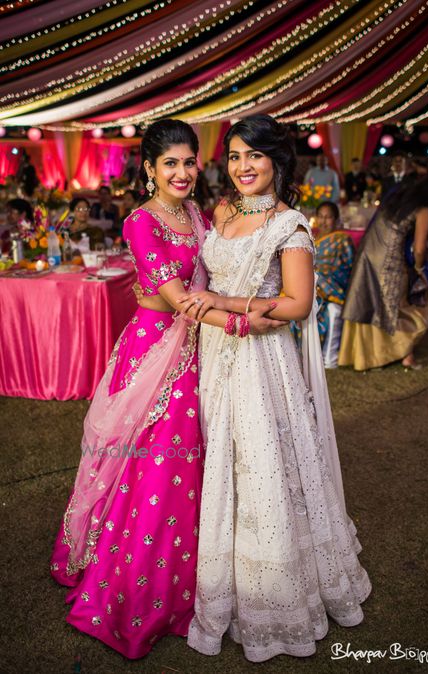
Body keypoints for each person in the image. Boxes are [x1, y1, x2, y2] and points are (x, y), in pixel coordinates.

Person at [136, 115, 370, 661]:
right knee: (218, 462)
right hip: (214, 357)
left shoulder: (290, 225)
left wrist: (229, 305)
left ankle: (275, 595)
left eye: (255, 156)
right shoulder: (220, 212)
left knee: (265, 466)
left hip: (263, 365)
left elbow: (296, 305)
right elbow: (195, 278)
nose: (243, 167)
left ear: (276, 162)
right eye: (235, 156)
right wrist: (200, 302)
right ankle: (220, 578)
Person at [50, 119, 281, 659]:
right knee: (155, 467)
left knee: (200, 465)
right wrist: (252, 317)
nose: (182, 172)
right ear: (149, 170)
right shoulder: (140, 223)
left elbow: (220, 275)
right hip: (157, 354)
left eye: (189, 162)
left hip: (202, 353)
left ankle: (196, 585)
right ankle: (139, 594)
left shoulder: (199, 215)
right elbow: (180, 298)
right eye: (169, 164)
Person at [339, 176, 428, 371]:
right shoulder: (424, 209)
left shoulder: (399, 200)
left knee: (372, 304)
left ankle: (369, 358)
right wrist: (418, 268)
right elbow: (419, 249)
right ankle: (405, 355)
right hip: (389, 259)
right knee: (406, 305)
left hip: (368, 253)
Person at [305, 201, 354, 368]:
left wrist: (327, 280)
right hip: (309, 290)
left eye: (328, 217)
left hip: (335, 291)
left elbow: (350, 267)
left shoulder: (342, 240)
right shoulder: (310, 239)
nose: (324, 221)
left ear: (336, 219)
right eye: (321, 217)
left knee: (333, 312)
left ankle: (329, 359)